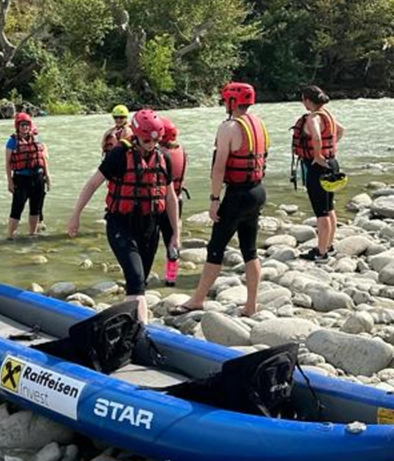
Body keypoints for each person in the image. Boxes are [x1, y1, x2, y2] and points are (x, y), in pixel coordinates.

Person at [67, 109, 180, 323]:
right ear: (136, 134)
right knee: (136, 280)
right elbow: (92, 184)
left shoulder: (163, 157)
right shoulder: (119, 155)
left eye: (156, 139)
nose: (151, 143)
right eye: (147, 139)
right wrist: (76, 215)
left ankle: (131, 324)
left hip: (150, 227)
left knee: (139, 283)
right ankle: (138, 332)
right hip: (121, 225)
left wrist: (175, 233)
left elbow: (171, 197)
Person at [170, 82, 269, 317]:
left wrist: (214, 199)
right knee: (250, 249)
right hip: (257, 191)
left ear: (232, 102)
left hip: (237, 195)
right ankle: (251, 305)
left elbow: (219, 168)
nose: (224, 103)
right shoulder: (258, 123)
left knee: (216, 248)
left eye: (226, 100)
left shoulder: (229, 127)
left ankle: (197, 300)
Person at [291, 86, 345, 262]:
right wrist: (330, 150)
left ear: (307, 100)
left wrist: (318, 155)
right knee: (329, 207)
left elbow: (316, 137)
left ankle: (321, 253)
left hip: (318, 167)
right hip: (332, 163)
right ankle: (328, 246)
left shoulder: (313, 118)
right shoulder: (327, 114)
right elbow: (341, 130)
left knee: (321, 212)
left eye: (303, 99)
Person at [6, 113, 51, 239]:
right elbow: (8, 163)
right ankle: (9, 236)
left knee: (35, 208)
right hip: (21, 178)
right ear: (17, 126)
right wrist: (10, 181)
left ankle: (32, 234)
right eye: (22, 125)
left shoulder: (37, 139)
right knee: (17, 208)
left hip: (37, 177)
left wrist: (47, 176)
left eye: (26, 125)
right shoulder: (12, 141)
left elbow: (43, 158)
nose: (24, 127)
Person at [158, 116, 188, 286]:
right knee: (172, 238)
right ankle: (171, 277)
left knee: (152, 237)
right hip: (177, 199)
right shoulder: (183, 151)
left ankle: (144, 274)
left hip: (161, 202)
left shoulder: (161, 155)